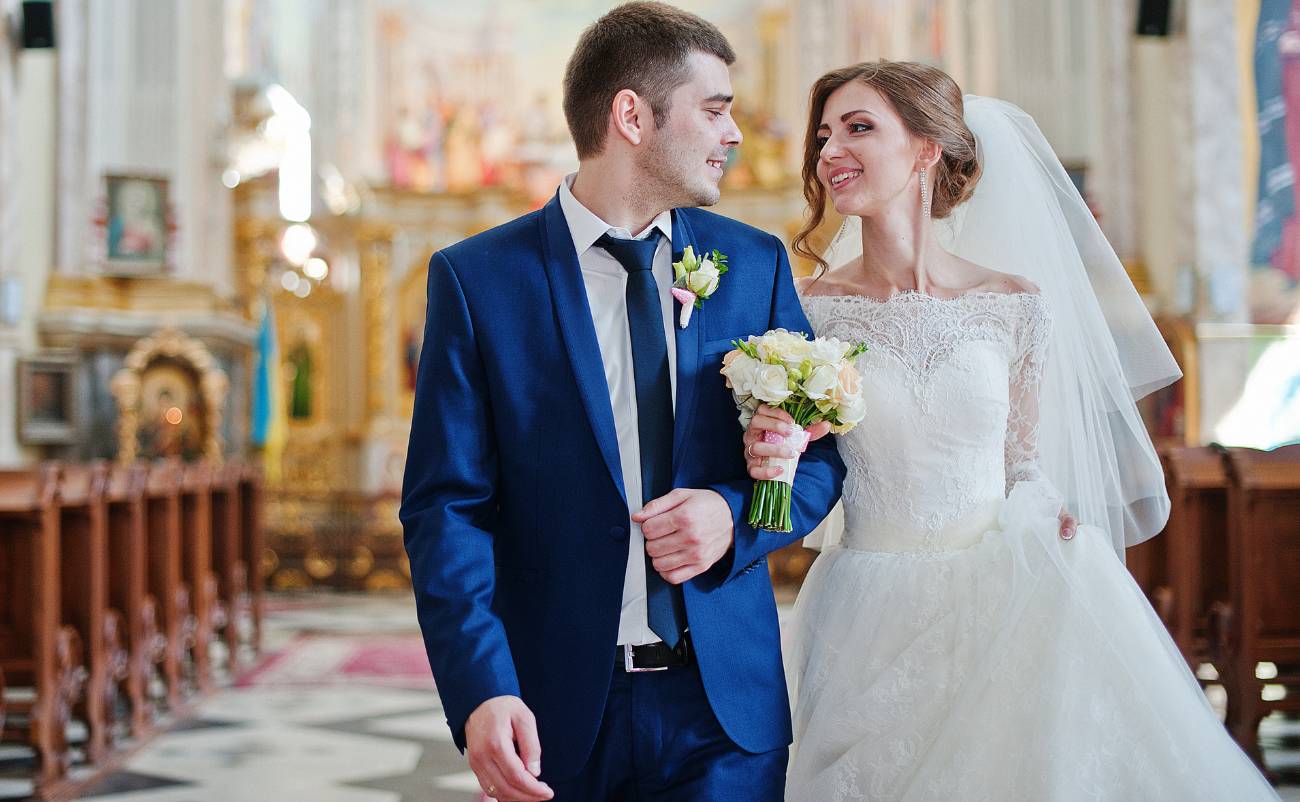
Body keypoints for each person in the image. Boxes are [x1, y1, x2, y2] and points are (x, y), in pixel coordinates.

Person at [742, 60, 1280, 800]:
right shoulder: (807, 311)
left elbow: (1021, 461)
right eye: (825, 135)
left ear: (928, 149)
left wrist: (1045, 505)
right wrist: (776, 447)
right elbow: (808, 468)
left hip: (1001, 592)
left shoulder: (1014, 304)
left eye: (859, 129)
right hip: (868, 603)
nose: (830, 151)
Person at [399, 4, 843, 800]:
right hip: (557, 708)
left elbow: (823, 461)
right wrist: (479, 688)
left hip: (725, 715)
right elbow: (447, 509)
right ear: (632, 116)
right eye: (715, 109)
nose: (734, 133)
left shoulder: (752, 265)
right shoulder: (479, 281)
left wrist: (733, 516)